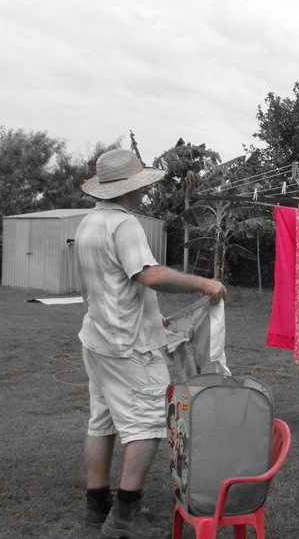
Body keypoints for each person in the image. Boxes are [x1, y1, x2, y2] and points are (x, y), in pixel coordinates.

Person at [76, 148, 226, 538]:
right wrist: (205, 283)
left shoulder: (89, 222)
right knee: (147, 425)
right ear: (131, 187)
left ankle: (97, 508)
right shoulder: (124, 225)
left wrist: (151, 316)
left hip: (98, 338)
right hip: (128, 347)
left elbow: (111, 283)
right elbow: (150, 275)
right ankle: (125, 514)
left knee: (102, 421)